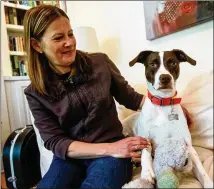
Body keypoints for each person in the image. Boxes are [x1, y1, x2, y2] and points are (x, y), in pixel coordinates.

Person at [23, 4, 193, 189]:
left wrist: (168, 105)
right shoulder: (34, 93)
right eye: (58, 37)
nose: (70, 42)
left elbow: (132, 98)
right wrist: (113, 148)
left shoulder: (100, 63)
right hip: (72, 158)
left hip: (112, 157)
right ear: (37, 45)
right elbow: (55, 141)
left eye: (70, 34)